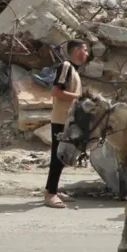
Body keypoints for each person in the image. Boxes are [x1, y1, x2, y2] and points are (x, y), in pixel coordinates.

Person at [45, 39, 88, 209]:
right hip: (61, 121)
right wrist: (80, 98)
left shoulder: (74, 70)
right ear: (77, 50)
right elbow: (55, 91)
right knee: (58, 157)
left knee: (62, 157)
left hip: (68, 121)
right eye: (85, 49)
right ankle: (50, 194)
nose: (87, 53)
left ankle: (52, 189)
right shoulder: (66, 67)